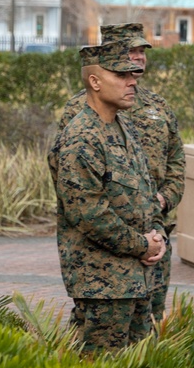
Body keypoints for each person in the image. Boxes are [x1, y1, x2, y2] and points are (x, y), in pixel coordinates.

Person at [58, 23, 185, 322]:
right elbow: (80, 198)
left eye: (141, 52)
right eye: (129, 54)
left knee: (149, 325)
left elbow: (175, 161)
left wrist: (159, 214)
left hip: (151, 236)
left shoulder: (147, 110)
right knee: (103, 356)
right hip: (106, 257)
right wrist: (138, 241)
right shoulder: (81, 119)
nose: (136, 60)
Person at [48, 42, 167, 350]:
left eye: (133, 74)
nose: (133, 81)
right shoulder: (81, 139)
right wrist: (143, 245)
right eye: (121, 75)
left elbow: (145, 192)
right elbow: (90, 216)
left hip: (138, 281)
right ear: (95, 82)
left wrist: (158, 234)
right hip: (104, 288)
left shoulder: (123, 127)